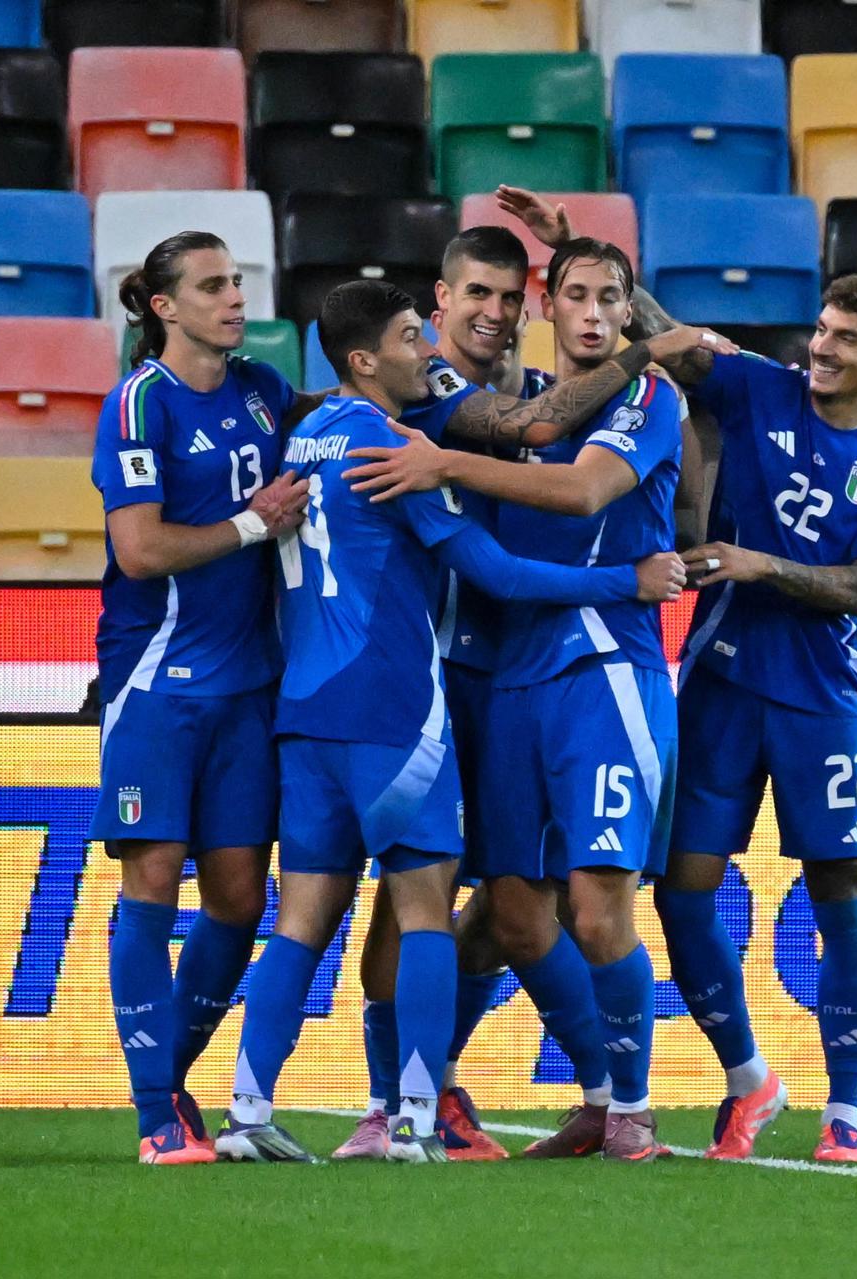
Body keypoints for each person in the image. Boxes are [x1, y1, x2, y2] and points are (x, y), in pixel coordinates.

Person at [213, 280, 685, 1164]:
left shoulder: (304, 436)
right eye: (406, 335)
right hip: (392, 711)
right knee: (426, 915)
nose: (425, 348)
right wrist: (627, 582)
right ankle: (416, 1120)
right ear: (364, 360)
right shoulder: (393, 446)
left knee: (302, 920)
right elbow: (496, 573)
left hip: (304, 716)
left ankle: (246, 1113)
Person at [338, 227, 723, 1162]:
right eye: (573, 297)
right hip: (475, 678)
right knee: (483, 906)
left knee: (592, 906)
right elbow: (526, 441)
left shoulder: (640, 395)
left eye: (608, 301)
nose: (588, 315)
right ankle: (408, 1101)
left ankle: (621, 1102)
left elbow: (585, 486)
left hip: (597, 671)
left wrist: (443, 465)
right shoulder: (456, 403)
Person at [628, 259, 857, 1163]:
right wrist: (596, 266)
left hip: (821, 701)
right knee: (681, 890)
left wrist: (765, 567)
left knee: (839, 884)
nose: (822, 348)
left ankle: (846, 1111)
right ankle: (748, 1076)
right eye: (823, 329)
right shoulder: (763, 388)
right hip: (718, 681)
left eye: (846, 339)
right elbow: (672, 341)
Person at [90, 230, 313, 1166]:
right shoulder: (140, 403)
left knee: (235, 896)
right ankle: (155, 1117)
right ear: (163, 307)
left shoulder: (263, 390)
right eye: (213, 285)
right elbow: (140, 550)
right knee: (150, 878)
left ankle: (168, 1085)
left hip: (251, 686)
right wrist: (250, 525)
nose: (234, 298)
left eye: (238, 282)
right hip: (158, 683)